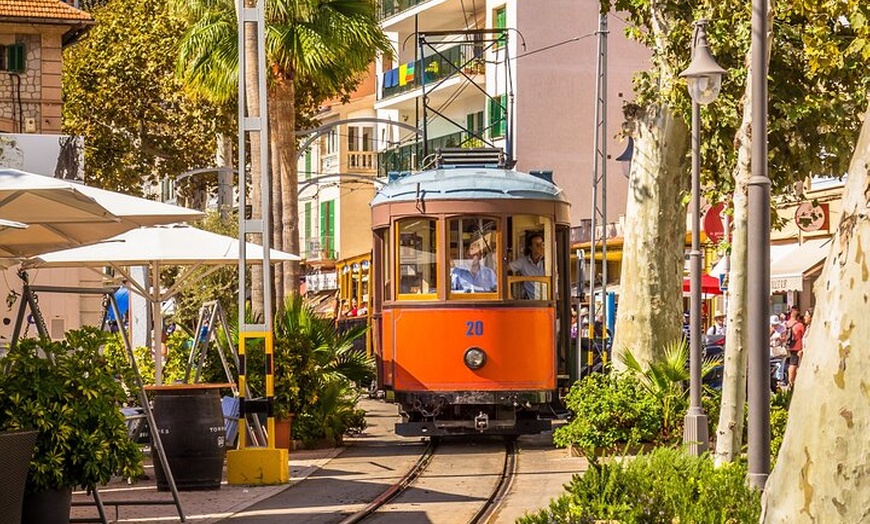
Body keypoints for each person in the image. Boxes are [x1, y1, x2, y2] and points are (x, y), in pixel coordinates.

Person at [509, 232, 545, 299]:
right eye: (537, 244)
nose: (540, 247)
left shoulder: (547, 261)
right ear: (530, 247)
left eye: (541, 244)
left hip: (547, 300)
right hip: (531, 302)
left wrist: (545, 256)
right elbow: (504, 269)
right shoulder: (523, 262)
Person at [785, 305, 806, 388]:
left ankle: (791, 380)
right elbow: (803, 334)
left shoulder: (787, 323)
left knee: (791, 363)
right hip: (797, 347)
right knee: (793, 364)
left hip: (790, 346)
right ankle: (791, 382)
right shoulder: (799, 325)